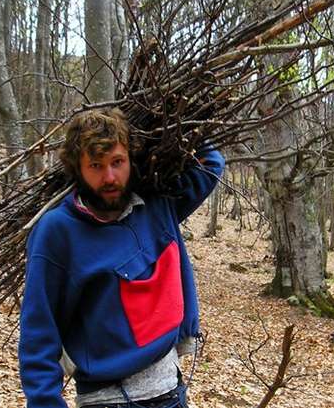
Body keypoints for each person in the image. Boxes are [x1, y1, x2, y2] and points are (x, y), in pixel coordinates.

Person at [18, 107, 225, 408]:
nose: (110, 176)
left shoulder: (157, 205)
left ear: (131, 159)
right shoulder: (58, 231)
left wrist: (184, 120)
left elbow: (210, 166)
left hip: (171, 393)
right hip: (108, 400)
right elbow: (39, 329)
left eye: (118, 162)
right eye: (96, 166)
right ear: (78, 168)